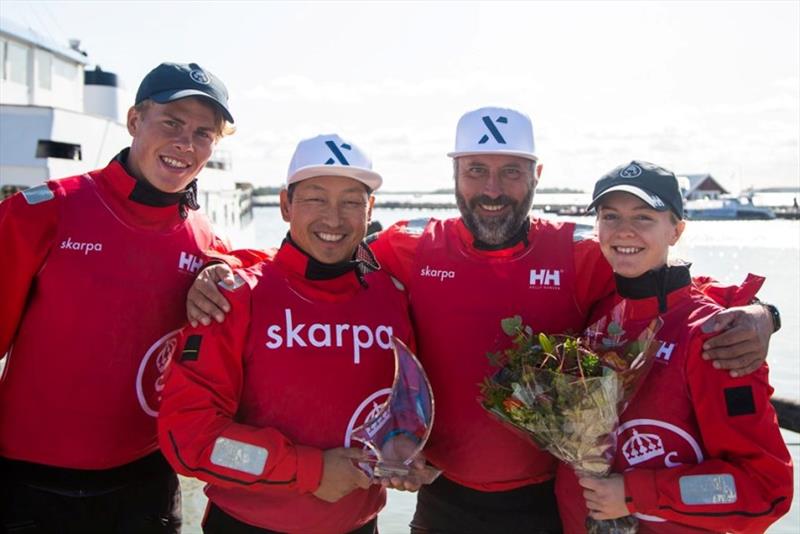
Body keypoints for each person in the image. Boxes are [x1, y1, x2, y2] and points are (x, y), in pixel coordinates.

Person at [186, 107, 779, 533]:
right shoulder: (407, 249)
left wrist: (760, 313)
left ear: (537, 176)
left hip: (549, 502)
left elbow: (659, 291)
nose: (492, 190)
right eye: (476, 171)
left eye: (510, 172)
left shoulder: (578, 254)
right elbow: (319, 256)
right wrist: (220, 268)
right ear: (455, 174)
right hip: (442, 500)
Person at [0, 62, 236, 533]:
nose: (185, 144)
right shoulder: (40, 214)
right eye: (171, 123)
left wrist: (227, 271)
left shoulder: (206, 242)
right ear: (134, 121)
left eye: (203, 134)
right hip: (27, 486)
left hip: (145, 485)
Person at [158, 134, 420, 534]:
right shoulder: (234, 298)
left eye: (351, 202)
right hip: (248, 526)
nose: (333, 219)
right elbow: (192, 441)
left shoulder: (393, 297)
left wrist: (404, 448)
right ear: (284, 205)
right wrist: (310, 471)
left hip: (360, 525)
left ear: (370, 209)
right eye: (315, 198)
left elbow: (404, 408)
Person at [555, 161, 792, 533]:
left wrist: (634, 493)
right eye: (610, 216)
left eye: (644, 217)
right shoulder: (598, 312)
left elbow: (763, 489)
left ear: (676, 230)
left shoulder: (717, 337)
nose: (624, 230)